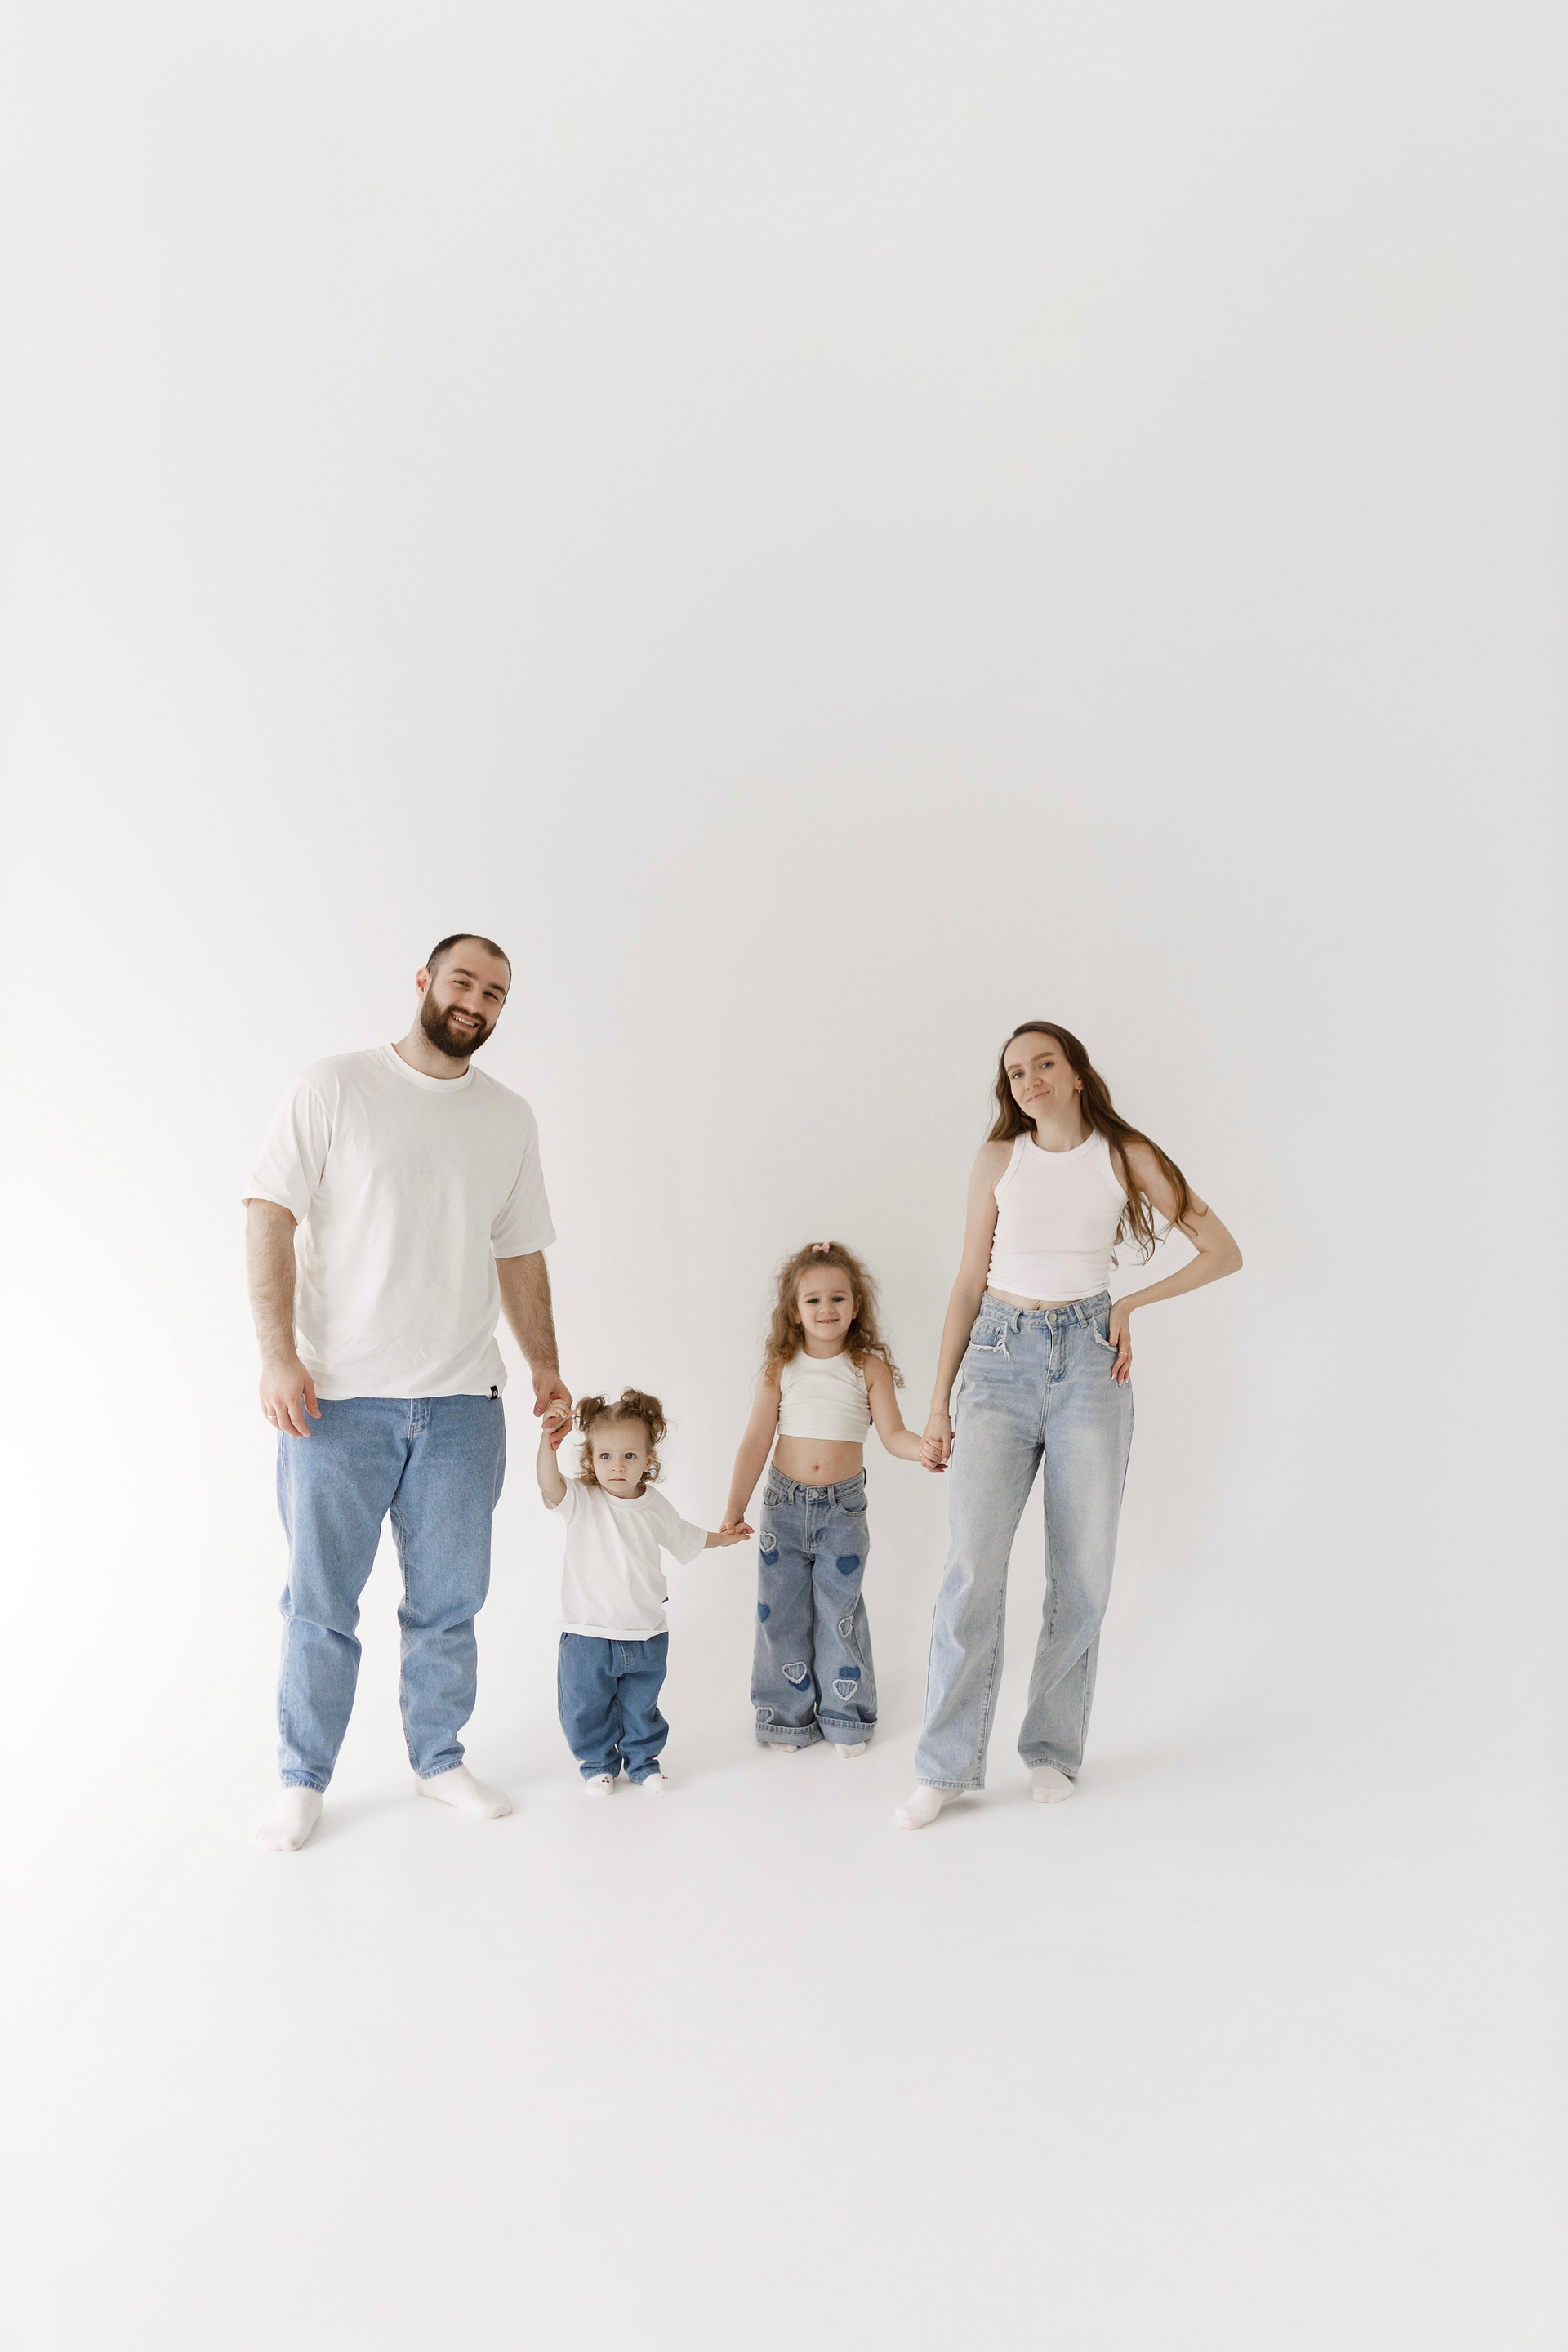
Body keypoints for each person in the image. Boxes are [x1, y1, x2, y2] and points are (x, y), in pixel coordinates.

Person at [244, 933, 570, 1852]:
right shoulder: (336, 1086)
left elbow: (520, 1250)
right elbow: (268, 1211)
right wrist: (277, 1356)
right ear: (424, 981)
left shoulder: (508, 1117)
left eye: (495, 993)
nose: (476, 1001)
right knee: (320, 1606)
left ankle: (438, 1760)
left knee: (449, 1605)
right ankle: (302, 1781)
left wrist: (545, 1365)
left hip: (464, 1403)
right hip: (336, 1403)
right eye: (463, 981)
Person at [894, 1023, 1242, 1830]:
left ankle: (1051, 1750)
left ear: (1077, 1073)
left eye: (1044, 1063)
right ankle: (945, 1766)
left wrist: (1131, 1304)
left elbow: (1221, 1250)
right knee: (971, 1572)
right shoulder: (998, 1159)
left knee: (1081, 1574)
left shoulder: (1127, 1156)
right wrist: (939, 1403)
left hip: (1090, 1362)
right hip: (997, 1358)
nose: (1030, 1080)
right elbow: (966, 1283)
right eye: (1016, 1072)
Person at [723, 1241, 925, 1757]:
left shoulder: (869, 1368)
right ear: (795, 1311)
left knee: (840, 1612)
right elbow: (755, 1441)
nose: (826, 1309)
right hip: (784, 1506)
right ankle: (785, 1719)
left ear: (856, 1305)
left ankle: (845, 1717)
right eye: (813, 1300)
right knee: (780, 1613)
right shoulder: (780, 1368)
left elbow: (893, 1435)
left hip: (842, 1511)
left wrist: (922, 1448)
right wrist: (734, 1507)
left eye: (838, 1298)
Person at [536, 1389, 749, 1794]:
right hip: (588, 1633)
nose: (617, 1466)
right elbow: (549, 1483)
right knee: (585, 1707)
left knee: (641, 1707)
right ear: (591, 1460)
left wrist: (725, 1538)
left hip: (646, 1633)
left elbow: (687, 1536)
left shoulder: (655, 1506)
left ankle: (643, 1763)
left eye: (629, 1456)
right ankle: (598, 1764)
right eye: (605, 1456)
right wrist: (548, 1442)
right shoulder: (582, 1499)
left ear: (648, 1460)